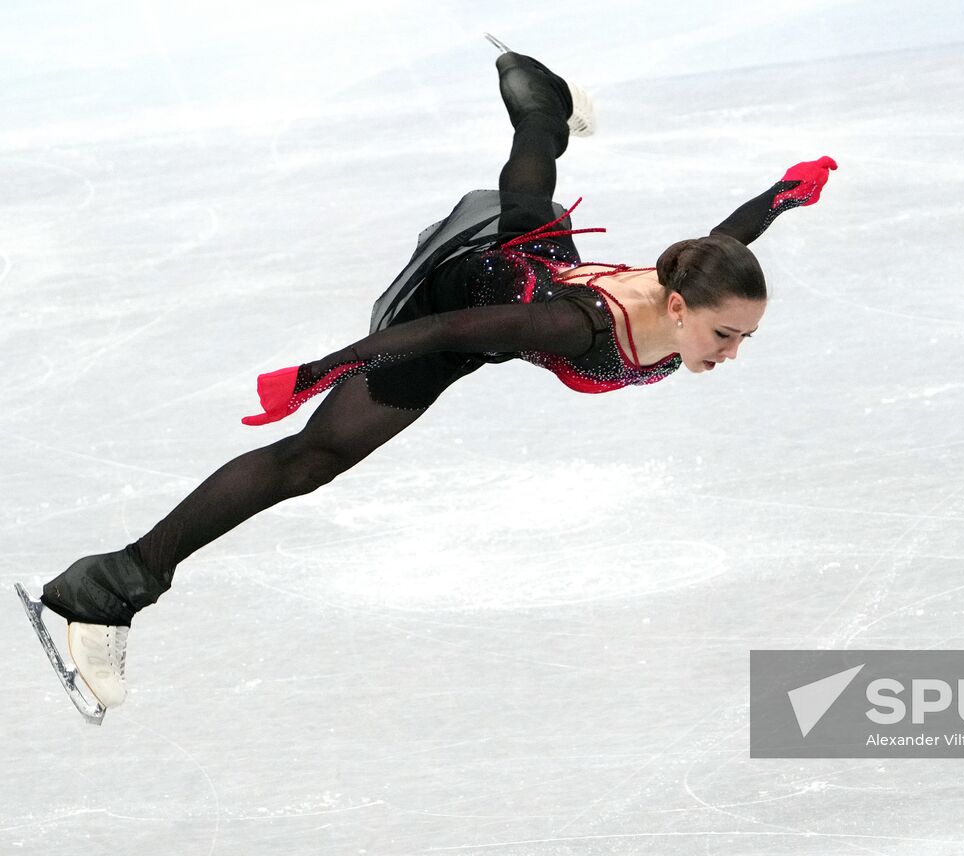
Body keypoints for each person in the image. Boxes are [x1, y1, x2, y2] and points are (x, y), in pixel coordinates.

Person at [34, 47, 838, 710]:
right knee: (310, 460)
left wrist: (782, 196)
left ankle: (540, 94)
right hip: (466, 298)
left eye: (745, 337)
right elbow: (450, 330)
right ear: (674, 303)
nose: (731, 352)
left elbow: (728, 236)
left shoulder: (695, 279)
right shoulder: (578, 327)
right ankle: (108, 586)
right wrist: (318, 372)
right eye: (726, 335)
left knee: (531, 195)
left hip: (534, 263)